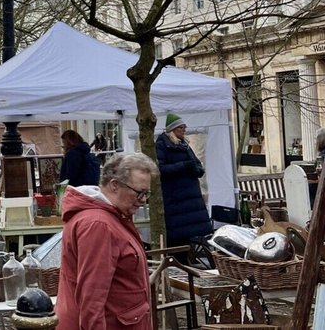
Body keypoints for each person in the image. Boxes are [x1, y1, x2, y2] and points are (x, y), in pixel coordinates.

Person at [55, 152, 158, 329]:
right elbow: (92, 298)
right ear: (114, 185)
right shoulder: (99, 225)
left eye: (146, 193)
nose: (143, 201)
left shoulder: (111, 217)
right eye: (139, 193)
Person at [156, 113, 211, 255]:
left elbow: (195, 163)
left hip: (190, 198)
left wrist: (197, 169)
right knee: (178, 236)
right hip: (176, 198)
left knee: (190, 232)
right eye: (181, 127)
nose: (184, 130)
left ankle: (188, 259)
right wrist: (183, 166)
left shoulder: (183, 144)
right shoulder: (162, 145)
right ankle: (180, 262)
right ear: (173, 129)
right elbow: (159, 170)